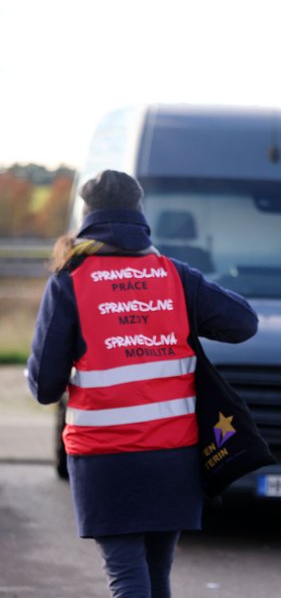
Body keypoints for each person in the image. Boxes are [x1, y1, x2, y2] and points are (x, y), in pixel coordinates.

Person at [26, 170, 259, 598]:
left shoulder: (69, 283)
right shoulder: (174, 275)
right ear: (139, 214)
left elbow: (44, 386)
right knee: (155, 574)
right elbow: (244, 323)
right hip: (174, 459)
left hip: (105, 460)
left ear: (87, 217)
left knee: (127, 576)